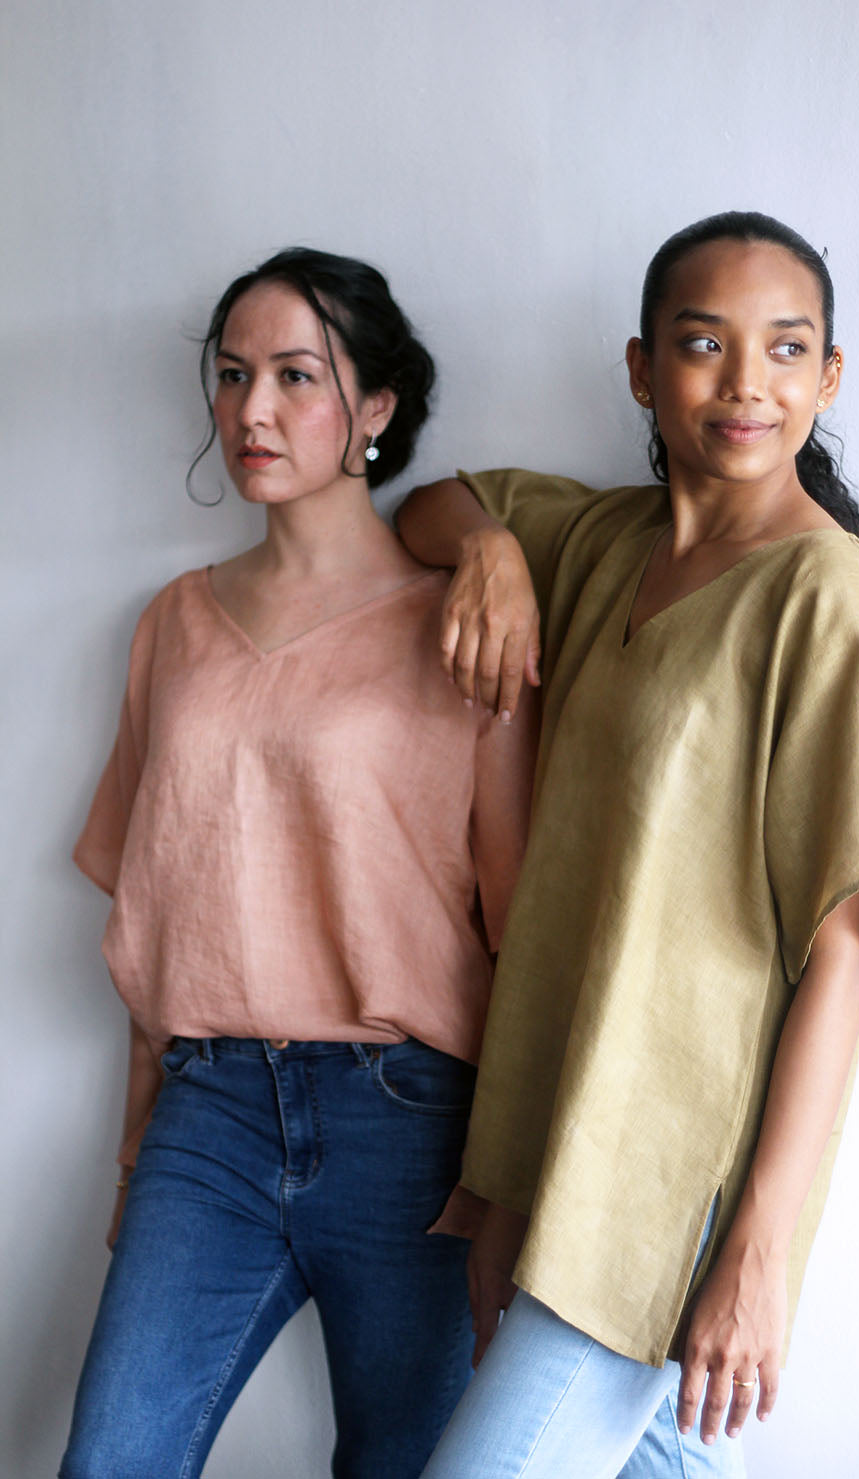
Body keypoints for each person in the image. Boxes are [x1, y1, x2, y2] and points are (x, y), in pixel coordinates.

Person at [396, 211, 859, 1478]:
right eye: (704, 344)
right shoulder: (602, 542)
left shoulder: (828, 596)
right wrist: (490, 551)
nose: (747, 382)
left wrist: (756, 1251)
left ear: (827, 377)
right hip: (560, 1140)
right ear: (642, 370)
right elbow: (428, 506)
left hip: (671, 1185)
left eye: (785, 348)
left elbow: (844, 952)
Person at [59, 248, 536, 1479]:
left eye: (294, 376)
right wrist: (135, 1155)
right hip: (208, 1115)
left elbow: (519, 932)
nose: (252, 411)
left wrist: (510, 1183)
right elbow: (162, 908)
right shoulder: (174, 621)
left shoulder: (463, 626)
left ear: (374, 407)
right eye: (231, 376)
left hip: (412, 1123)